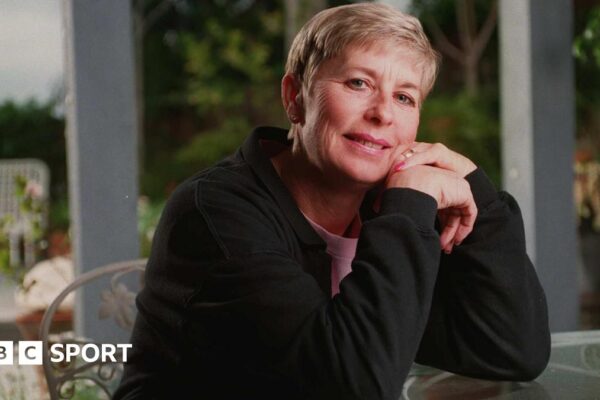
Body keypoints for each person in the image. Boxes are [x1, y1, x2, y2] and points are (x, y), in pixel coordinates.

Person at [115, 3, 550, 399]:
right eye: (359, 83)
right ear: (295, 97)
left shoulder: (394, 205)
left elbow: (513, 349)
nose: (383, 113)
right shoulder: (215, 213)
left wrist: (477, 192)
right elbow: (354, 385)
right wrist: (405, 214)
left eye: (404, 97)